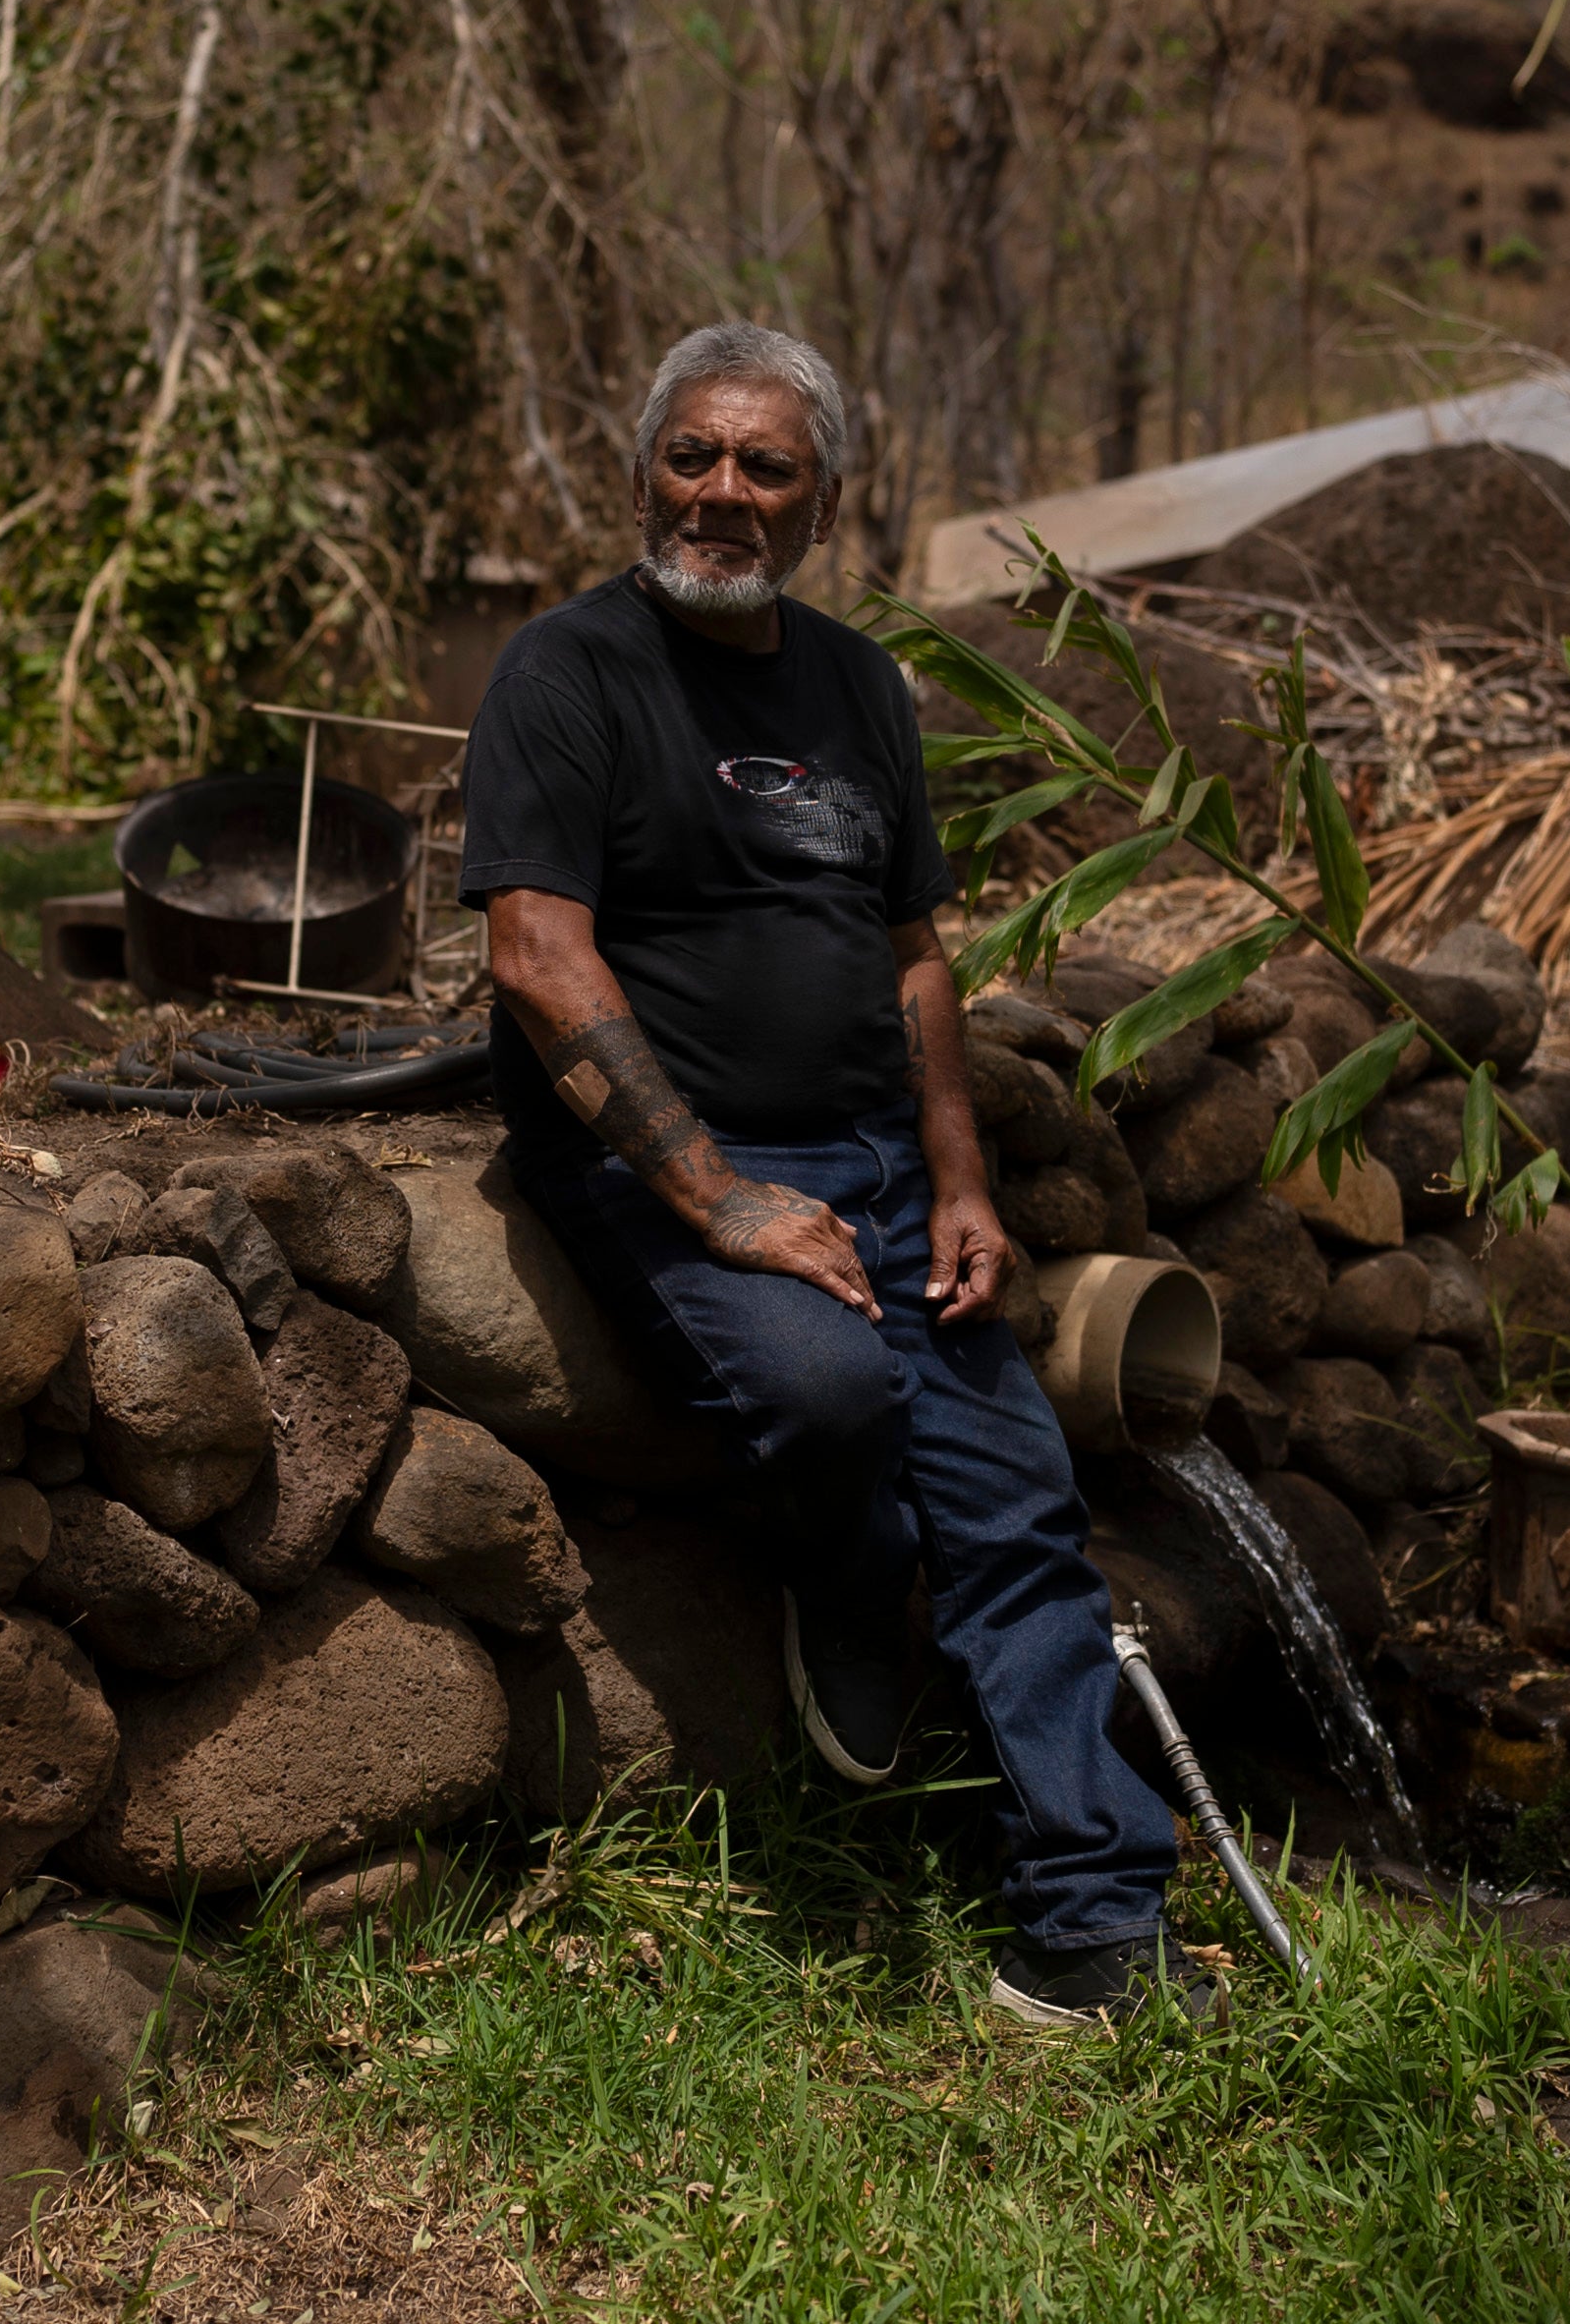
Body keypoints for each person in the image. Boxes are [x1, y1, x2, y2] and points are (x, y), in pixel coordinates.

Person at [460, 319, 1213, 2030]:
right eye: (691, 458)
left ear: (824, 506)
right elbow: (534, 954)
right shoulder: (565, 672)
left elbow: (914, 958)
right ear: (642, 468)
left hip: (880, 1162)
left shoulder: (862, 689)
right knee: (824, 1386)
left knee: (1022, 1507)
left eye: (765, 469)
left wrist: (958, 1174)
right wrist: (717, 1194)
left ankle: (1095, 1927)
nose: (721, 495)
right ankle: (857, 1588)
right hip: (667, 1166)